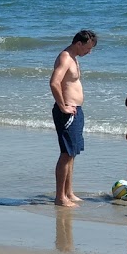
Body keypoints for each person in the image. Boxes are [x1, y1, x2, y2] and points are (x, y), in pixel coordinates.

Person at [48, 29, 98, 207]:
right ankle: (60, 197)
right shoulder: (65, 58)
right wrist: (63, 106)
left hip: (75, 110)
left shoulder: (73, 58)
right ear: (79, 43)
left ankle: (68, 192)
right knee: (66, 154)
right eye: (88, 48)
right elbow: (54, 82)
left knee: (72, 153)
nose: (89, 52)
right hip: (67, 112)